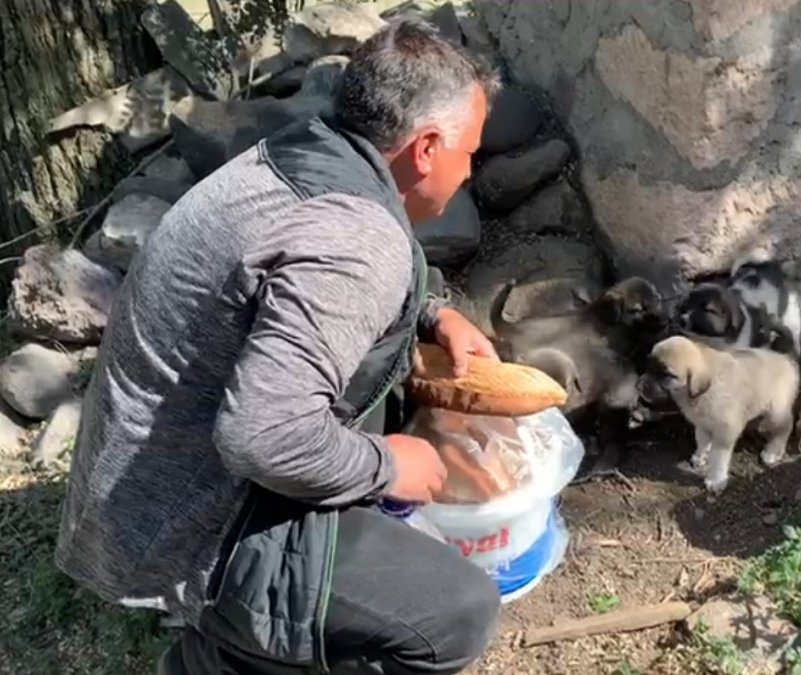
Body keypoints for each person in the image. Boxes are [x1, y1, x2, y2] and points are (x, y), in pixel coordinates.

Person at [53, 20, 504, 675]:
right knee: (456, 611)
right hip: (201, 526)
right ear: (427, 148)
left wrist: (432, 315)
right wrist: (386, 465)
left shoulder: (304, 157)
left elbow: (299, 281)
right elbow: (261, 436)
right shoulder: (357, 243)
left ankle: (223, 653)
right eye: (470, 153)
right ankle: (241, 643)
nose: (469, 173)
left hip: (148, 486)